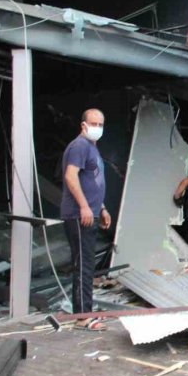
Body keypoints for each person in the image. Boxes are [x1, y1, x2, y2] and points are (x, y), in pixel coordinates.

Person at [61, 109, 111, 328]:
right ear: (83, 125)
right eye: (94, 123)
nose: (97, 128)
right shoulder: (80, 146)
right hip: (79, 215)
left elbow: (92, 181)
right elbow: (71, 176)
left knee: (87, 264)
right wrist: (83, 206)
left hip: (90, 213)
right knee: (83, 265)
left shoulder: (92, 148)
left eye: (101, 124)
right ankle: (82, 317)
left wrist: (101, 208)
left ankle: (85, 311)